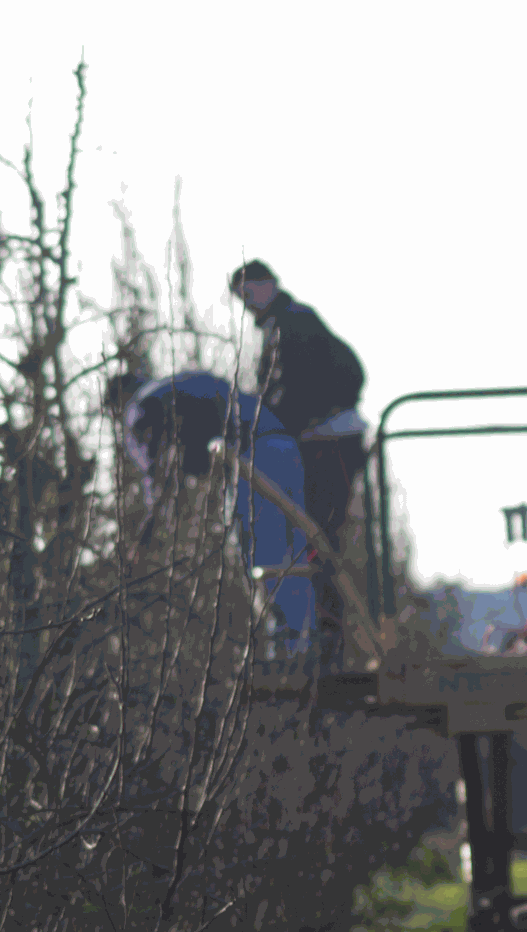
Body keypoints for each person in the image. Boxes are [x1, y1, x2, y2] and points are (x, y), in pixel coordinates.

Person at [109, 368, 317, 652]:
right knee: (294, 553)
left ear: (118, 403)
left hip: (252, 458)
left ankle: (287, 651)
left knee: (264, 555)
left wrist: (143, 541)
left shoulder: (141, 407)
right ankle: (304, 646)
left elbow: (156, 475)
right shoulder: (176, 385)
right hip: (284, 445)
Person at [229, 260, 368, 642]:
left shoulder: (292, 324)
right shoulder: (282, 327)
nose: (249, 303)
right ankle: (325, 632)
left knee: (320, 535)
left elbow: (298, 388)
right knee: (316, 536)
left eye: (251, 291)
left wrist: (273, 420)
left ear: (269, 284)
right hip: (321, 438)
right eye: (243, 297)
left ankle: (329, 634)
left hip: (330, 439)